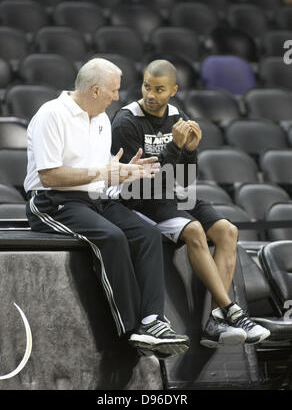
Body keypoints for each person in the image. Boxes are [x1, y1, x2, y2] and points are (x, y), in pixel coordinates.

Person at [23, 58, 190, 359]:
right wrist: (104, 173)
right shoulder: (52, 114)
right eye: (113, 91)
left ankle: (153, 320)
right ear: (96, 90)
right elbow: (50, 176)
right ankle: (131, 329)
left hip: (96, 198)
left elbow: (103, 171)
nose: (117, 97)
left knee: (147, 234)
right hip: (53, 201)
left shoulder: (100, 119)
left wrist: (126, 171)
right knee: (112, 237)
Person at [111, 59, 271, 347]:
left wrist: (191, 152)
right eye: (147, 86)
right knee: (195, 230)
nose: (150, 94)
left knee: (228, 231)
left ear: (173, 90)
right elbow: (140, 181)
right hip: (140, 199)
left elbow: (184, 180)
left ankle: (215, 320)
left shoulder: (177, 116)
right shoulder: (126, 121)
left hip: (173, 193)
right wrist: (174, 148)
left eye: (159, 89)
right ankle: (232, 310)